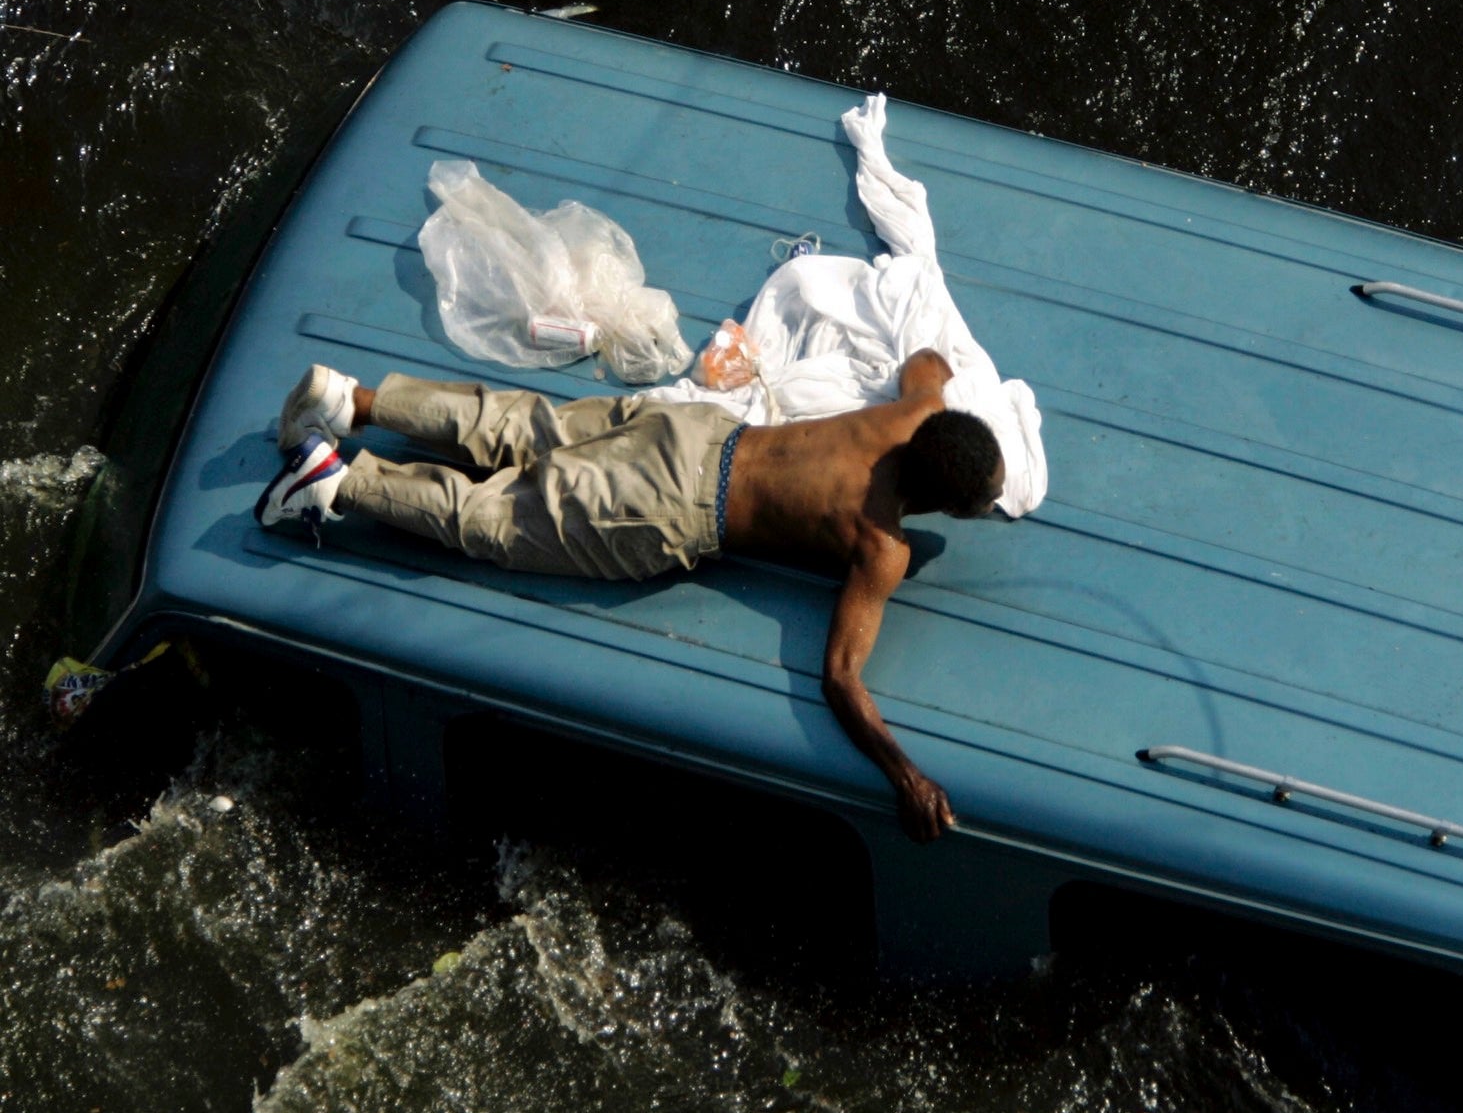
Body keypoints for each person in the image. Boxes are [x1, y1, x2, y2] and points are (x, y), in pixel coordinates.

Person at [254, 352, 1003, 842]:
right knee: (504, 520)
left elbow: (927, 362)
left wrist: (946, 384)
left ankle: (352, 398)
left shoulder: (917, 415)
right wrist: (905, 773)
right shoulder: (881, 545)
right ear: (940, 502)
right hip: (671, 506)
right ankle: (338, 483)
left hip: (696, 432)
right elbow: (840, 678)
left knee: (521, 423)